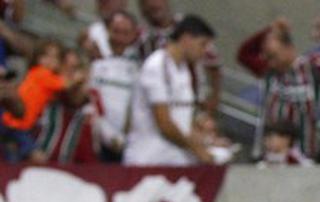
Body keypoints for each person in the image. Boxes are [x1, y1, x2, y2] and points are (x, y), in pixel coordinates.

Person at [236, 16, 320, 161]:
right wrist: (269, 29)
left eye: (273, 56)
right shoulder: (267, 71)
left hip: (304, 155)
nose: (270, 62)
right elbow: (243, 55)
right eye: (267, 57)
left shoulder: (314, 67)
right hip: (267, 156)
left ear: (289, 48)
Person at [122, 14, 214, 166]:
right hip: (147, 161)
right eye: (202, 44)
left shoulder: (184, 70)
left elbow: (182, 119)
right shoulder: (156, 67)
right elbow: (164, 123)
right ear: (186, 38)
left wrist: (206, 141)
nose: (204, 51)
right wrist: (196, 149)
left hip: (174, 159)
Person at [1, 39, 83, 162]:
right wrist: (77, 78)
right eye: (45, 56)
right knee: (27, 156)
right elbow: (64, 84)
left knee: (13, 152)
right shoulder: (41, 73)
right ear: (37, 57)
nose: (50, 61)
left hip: (20, 123)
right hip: (16, 123)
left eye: (55, 58)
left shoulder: (43, 75)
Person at [136, 0, 222, 113]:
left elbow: (214, 64)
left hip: (191, 101)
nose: (153, 4)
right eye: (146, 2)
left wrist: (214, 97)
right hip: (157, 101)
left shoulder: (189, 27)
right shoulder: (141, 36)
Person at [89, 9, 140, 161]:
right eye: (116, 31)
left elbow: (136, 107)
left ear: (133, 35)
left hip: (129, 144)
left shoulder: (138, 69)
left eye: (126, 33)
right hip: (99, 142)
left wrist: (127, 139)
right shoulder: (96, 66)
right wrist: (110, 137)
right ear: (107, 32)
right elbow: (93, 103)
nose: (120, 38)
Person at [35, 49, 100, 163]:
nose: (70, 74)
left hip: (75, 173)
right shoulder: (44, 97)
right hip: (35, 170)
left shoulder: (93, 104)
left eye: (75, 68)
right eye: (65, 67)